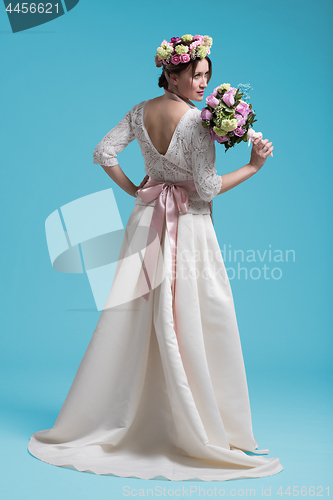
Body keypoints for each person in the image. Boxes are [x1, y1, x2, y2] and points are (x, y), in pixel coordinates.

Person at [27, 34, 282, 481]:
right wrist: (254, 167)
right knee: (200, 315)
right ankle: (205, 425)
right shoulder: (200, 123)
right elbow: (205, 189)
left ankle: (142, 413)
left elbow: (103, 152)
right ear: (171, 73)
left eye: (206, 75)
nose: (202, 83)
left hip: (146, 221)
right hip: (190, 228)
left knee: (136, 316)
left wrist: (138, 192)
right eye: (194, 74)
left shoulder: (138, 111)